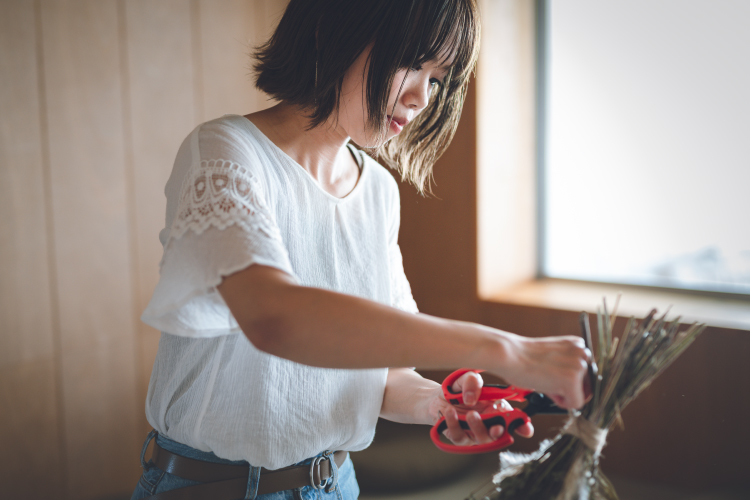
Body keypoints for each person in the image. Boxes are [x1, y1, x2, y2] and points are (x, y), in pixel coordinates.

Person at [132, 1, 590, 499]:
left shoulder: (377, 190)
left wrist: (442, 405)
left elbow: (384, 375)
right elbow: (275, 318)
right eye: (413, 62)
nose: (420, 97)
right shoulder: (227, 152)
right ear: (338, 26)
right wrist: (509, 351)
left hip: (336, 485)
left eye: (438, 79)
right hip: (214, 487)